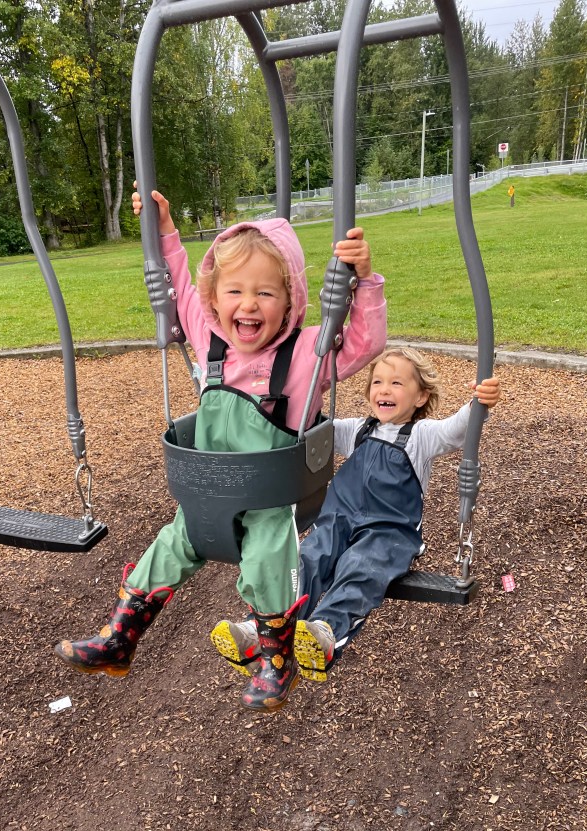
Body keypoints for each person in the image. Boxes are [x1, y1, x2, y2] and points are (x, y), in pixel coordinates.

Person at [55, 185, 388, 713]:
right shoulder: (209, 340)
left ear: (291, 300)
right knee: (166, 547)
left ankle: (276, 660)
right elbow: (181, 284)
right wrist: (164, 229)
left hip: (270, 501)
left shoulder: (306, 354)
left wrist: (364, 280)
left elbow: (366, 342)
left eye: (266, 293)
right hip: (206, 498)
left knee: (269, 561)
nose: (248, 304)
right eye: (234, 291)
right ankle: (120, 639)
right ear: (215, 299)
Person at [212, 347, 500, 689]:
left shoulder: (421, 436)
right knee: (307, 559)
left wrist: (479, 402)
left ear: (421, 396)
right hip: (338, 522)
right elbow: (310, 426)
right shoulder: (358, 430)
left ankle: (325, 632)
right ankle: (260, 628)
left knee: (360, 567)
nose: (384, 389)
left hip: (388, 533)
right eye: (377, 382)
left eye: (396, 383)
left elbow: (458, 429)